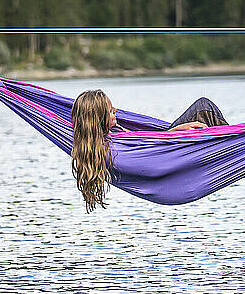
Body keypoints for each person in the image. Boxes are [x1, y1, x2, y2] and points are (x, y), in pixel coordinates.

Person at [71, 89, 228, 212]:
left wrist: (175, 131)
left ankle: (234, 144)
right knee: (204, 107)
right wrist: (175, 134)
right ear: (98, 117)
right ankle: (234, 143)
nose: (116, 111)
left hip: (162, 147)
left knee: (204, 109)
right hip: (165, 154)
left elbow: (146, 143)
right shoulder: (112, 146)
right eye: (111, 111)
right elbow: (148, 151)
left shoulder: (108, 137)